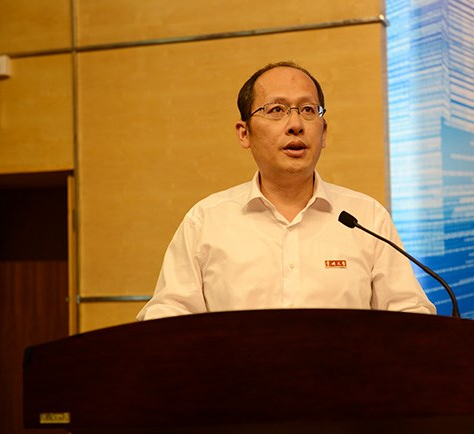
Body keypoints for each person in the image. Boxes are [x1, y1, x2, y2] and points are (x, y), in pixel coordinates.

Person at [136, 61, 436, 320]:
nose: (295, 124)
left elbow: (411, 316)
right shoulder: (206, 221)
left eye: (308, 110)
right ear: (244, 133)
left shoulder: (366, 217)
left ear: (323, 132)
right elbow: (167, 319)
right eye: (276, 110)